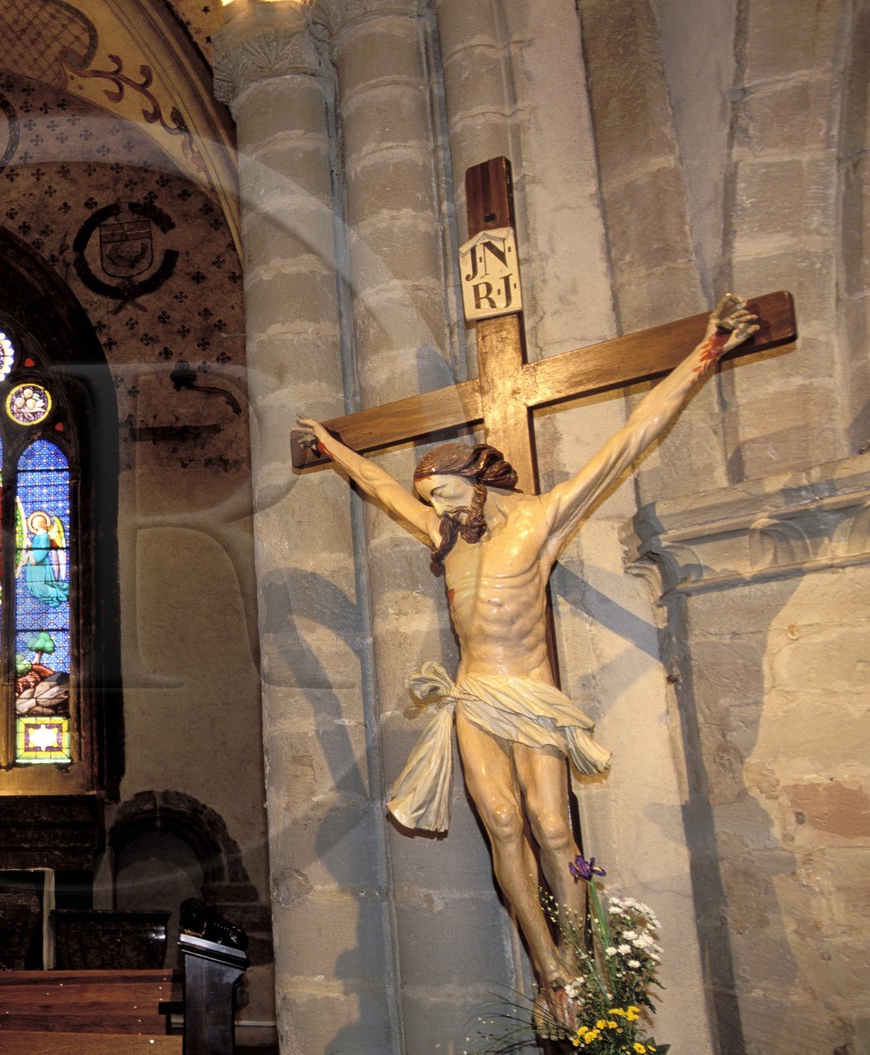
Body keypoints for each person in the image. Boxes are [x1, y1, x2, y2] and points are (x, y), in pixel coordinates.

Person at [294, 294, 757, 1020]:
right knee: (501, 823)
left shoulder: (540, 520)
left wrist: (707, 349)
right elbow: (379, 487)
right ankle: (550, 969)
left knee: (550, 826)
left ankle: (575, 956)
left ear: (478, 480)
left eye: (447, 494)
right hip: (476, 694)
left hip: (532, 692)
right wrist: (333, 444)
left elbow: (630, 440)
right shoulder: (447, 537)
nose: (440, 511)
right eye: (434, 502)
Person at [19, 510, 70, 606]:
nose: (33, 525)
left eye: (34, 523)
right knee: (37, 587)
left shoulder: (44, 536)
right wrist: (29, 544)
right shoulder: (37, 536)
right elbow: (35, 548)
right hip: (34, 565)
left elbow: (43, 550)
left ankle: (60, 594)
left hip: (39, 565)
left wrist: (31, 555)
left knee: (41, 587)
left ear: (39, 524)